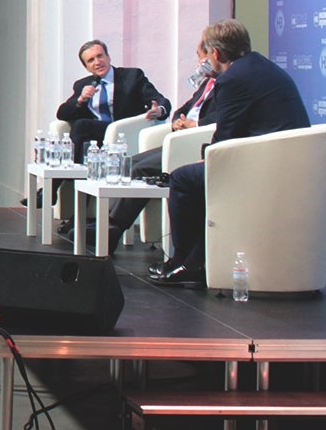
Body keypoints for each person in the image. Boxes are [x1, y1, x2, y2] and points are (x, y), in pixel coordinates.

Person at [148, 20, 311, 288]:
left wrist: (209, 158)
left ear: (216, 53)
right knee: (199, 174)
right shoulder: (262, 66)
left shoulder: (233, 79)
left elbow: (228, 134)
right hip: (283, 160)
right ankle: (196, 258)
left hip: (265, 166)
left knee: (182, 178)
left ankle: (187, 262)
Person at [105, 45, 220, 250]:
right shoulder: (206, 83)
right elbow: (183, 109)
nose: (200, 63)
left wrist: (194, 125)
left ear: (214, 56)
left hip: (194, 143)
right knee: (131, 162)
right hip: (179, 137)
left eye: (203, 58)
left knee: (139, 169)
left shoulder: (226, 84)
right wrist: (177, 121)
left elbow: (221, 117)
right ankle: (107, 221)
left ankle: (112, 228)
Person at [54, 39, 169, 162]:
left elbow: (160, 100)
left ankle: (70, 169)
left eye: (100, 56)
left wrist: (160, 110)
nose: (97, 62)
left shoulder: (132, 76)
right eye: (91, 60)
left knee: (81, 125)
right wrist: (80, 99)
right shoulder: (82, 84)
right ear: (86, 67)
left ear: (108, 57)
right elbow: (62, 114)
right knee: (82, 132)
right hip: (97, 137)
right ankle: (77, 169)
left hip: (124, 132)